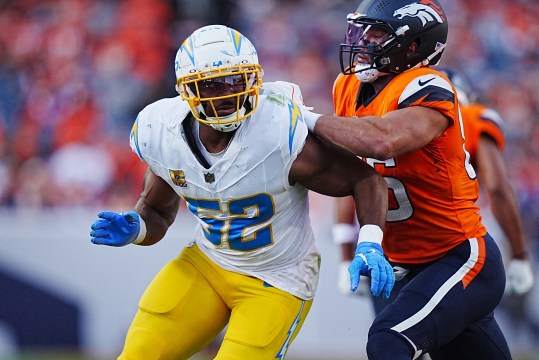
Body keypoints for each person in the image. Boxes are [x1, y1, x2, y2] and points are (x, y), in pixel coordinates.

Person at [89, 24, 393, 360]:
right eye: (213, 84)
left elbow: (365, 179)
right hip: (207, 264)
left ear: (254, 80)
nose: (228, 92)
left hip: (277, 280)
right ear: (186, 91)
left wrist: (369, 240)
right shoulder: (161, 133)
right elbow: (158, 212)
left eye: (237, 80)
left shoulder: (278, 133)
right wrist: (137, 227)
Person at [303, 1, 512, 359]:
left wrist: (304, 118)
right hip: (400, 264)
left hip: (457, 256)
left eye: (377, 32)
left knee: (388, 340)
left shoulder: (429, 86)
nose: (364, 41)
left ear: (413, 45)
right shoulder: (348, 86)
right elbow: (349, 170)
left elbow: (381, 141)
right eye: (362, 30)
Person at [332, 68, 535, 308]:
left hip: (391, 249)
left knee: (394, 333)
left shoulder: (379, 117)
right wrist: (520, 254)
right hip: (448, 243)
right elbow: (498, 187)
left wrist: (345, 257)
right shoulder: (471, 116)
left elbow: (350, 186)